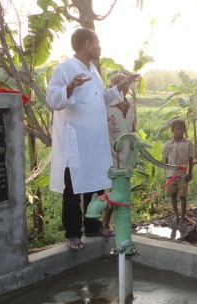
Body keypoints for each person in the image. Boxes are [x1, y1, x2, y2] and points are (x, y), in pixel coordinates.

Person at [47, 28, 138, 250]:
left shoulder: (94, 71)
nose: (100, 47)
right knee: (73, 189)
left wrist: (121, 86)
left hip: (95, 142)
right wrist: (70, 87)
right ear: (87, 44)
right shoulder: (65, 69)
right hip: (76, 141)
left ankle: (92, 226)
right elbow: (52, 99)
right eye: (97, 43)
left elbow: (103, 98)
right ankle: (72, 233)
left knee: (95, 184)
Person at [102, 73, 136, 230]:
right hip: (110, 156)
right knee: (110, 191)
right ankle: (105, 225)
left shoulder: (131, 105)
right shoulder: (105, 107)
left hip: (126, 157)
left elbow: (132, 130)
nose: (121, 85)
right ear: (111, 87)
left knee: (124, 190)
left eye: (124, 82)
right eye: (116, 83)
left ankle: (122, 222)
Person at [163, 119, 194, 224]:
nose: (180, 131)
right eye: (177, 129)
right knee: (173, 195)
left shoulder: (188, 143)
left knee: (182, 196)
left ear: (185, 130)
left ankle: (182, 217)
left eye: (182, 129)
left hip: (182, 175)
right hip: (171, 174)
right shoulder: (168, 144)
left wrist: (190, 173)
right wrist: (166, 173)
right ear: (172, 130)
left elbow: (191, 159)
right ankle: (176, 215)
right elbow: (166, 160)